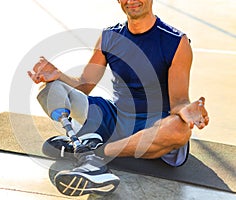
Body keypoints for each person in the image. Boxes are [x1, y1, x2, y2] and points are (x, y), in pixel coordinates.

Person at [28, 0, 209, 196]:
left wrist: (186, 110)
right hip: (116, 120)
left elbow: (178, 102)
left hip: (155, 126)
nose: (131, 1)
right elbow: (84, 85)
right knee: (52, 88)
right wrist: (57, 74)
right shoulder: (109, 36)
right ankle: (88, 150)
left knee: (179, 130)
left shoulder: (176, 42)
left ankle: (93, 155)